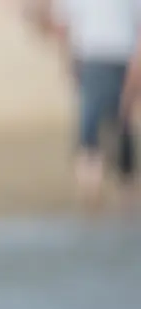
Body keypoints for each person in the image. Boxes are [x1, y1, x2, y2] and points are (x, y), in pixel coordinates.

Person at [33, 0, 141, 215]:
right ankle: (108, 200)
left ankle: (94, 203)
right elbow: (62, 26)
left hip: (104, 57)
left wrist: (67, 60)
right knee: (114, 127)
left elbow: (62, 27)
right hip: (106, 57)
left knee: (95, 131)